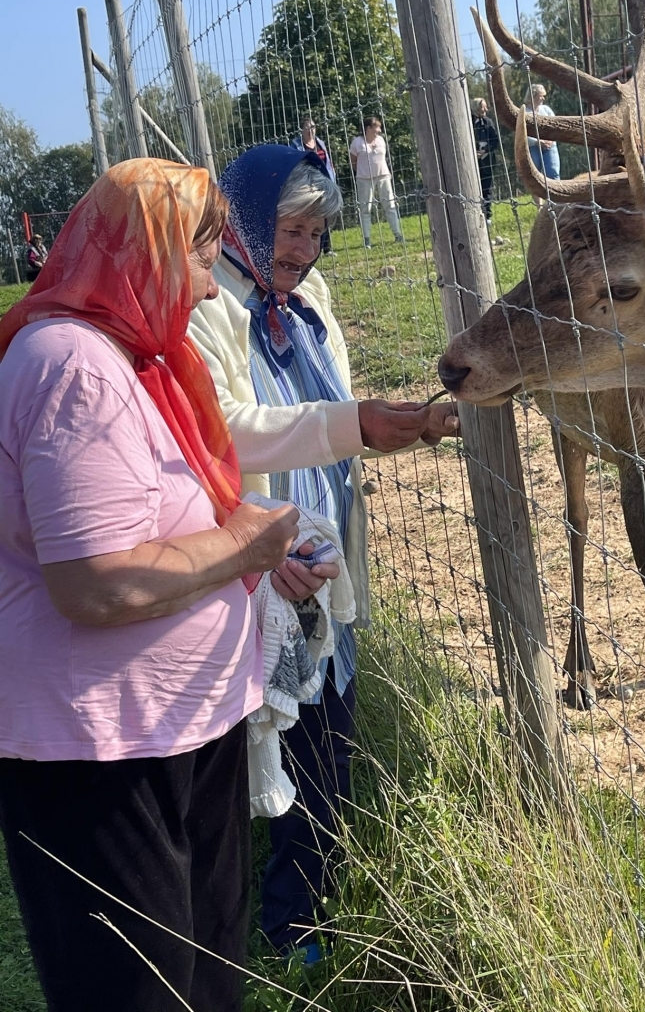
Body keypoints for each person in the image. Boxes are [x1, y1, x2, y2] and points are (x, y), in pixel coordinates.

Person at [0, 158, 326, 1012]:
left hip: (184, 728)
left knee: (207, 980)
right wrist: (241, 549)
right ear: (141, 250)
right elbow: (97, 583)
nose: (215, 292)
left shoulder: (138, 357)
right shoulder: (72, 364)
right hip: (101, 757)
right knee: (138, 995)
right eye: (201, 254)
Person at [188, 144, 459, 961]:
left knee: (329, 741)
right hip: (250, 565)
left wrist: (395, 429)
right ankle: (230, 928)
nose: (303, 250)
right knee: (259, 743)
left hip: (325, 559)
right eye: (290, 229)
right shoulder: (205, 306)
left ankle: (300, 915)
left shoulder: (314, 298)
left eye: (316, 232)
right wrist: (354, 424)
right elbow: (223, 434)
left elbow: (336, 414)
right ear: (239, 219)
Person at [349, 116, 403, 248]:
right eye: (376, 127)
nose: (379, 130)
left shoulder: (381, 140)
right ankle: (367, 239)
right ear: (368, 128)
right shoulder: (357, 143)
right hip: (364, 179)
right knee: (365, 208)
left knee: (389, 204)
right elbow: (353, 161)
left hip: (383, 175)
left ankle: (398, 235)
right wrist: (363, 172)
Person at [292, 115, 336, 254]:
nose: (310, 130)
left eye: (313, 127)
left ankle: (327, 247)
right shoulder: (296, 145)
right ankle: (312, 247)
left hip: (324, 182)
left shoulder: (320, 143)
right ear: (301, 130)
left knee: (326, 213)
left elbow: (328, 161)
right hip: (307, 183)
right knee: (311, 215)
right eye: (307, 127)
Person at [471, 98, 499, 224]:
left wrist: (485, 150)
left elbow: (495, 140)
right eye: (483, 107)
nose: (486, 109)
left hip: (486, 161)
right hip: (471, 162)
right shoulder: (468, 121)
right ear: (476, 107)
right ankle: (474, 215)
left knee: (487, 188)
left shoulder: (488, 122)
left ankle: (487, 215)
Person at [524, 83, 560, 180]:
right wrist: (537, 142)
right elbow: (523, 134)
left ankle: (556, 195)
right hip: (533, 147)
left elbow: (556, 125)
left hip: (549, 145)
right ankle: (539, 195)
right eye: (541, 96)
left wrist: (550, 140)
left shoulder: (546, 110)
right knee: (535, 176)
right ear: (533, 96)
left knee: (553, 173)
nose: (543, 99)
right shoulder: (524, 113)